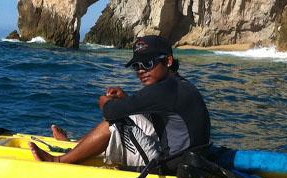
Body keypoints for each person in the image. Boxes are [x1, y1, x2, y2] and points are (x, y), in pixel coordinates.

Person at [30, 35, 211, 168]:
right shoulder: (177, 84)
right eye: (136, 66)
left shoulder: (163, 89)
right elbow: (154, 113)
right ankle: (74, 146)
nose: (141, 71)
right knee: (123, 114)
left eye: (147, 64)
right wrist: (124, 99)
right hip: (186, 156)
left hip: (171, 163)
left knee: (114, 122)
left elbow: (111, 112)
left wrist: (106, 103)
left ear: (168, 61)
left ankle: (58, 161)